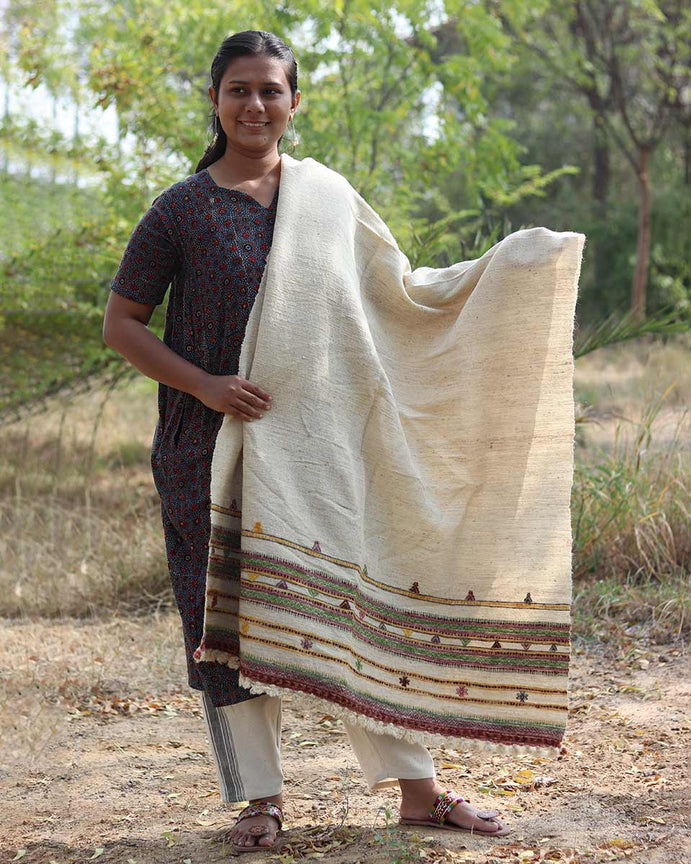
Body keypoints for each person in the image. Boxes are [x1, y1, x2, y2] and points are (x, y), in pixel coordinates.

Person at [103, 29, 510, 852]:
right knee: (226, 625)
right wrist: (204, 385)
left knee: (351, 610)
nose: (255, 105)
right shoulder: (180, 209)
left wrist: (502, 273)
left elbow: (395, 290)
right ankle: (259, 800)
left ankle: (419, 792)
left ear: (295, 101)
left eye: (270, 90)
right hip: (205, 448)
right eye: (239, 90)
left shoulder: (327, 198)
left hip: (318, 451)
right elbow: (121, 325)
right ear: (214, 100)